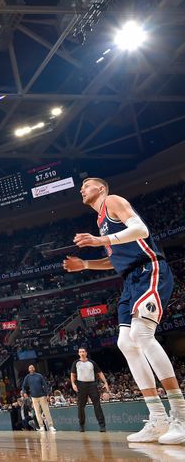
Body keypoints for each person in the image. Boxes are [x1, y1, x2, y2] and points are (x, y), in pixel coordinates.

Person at [64, 177, 185, 444]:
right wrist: (85, 265)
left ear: (101, 188)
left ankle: (181, 416)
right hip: (129, 280)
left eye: (86, 184)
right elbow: (113, 259)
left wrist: (99, 240)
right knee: (125, 343)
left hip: (149, 269)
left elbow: (140, 230)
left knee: (142, 335)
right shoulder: (99, 223)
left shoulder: (113, 201)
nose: (81, 189)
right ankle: (158, 418)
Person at [69, 347, 108, 433]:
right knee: (80, 406)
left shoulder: (91, 362)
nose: (82, 353)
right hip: (81, 385)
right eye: (80, 352)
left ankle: (102, 426)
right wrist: (73, 384)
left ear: (86, 353)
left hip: (92, 385)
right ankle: (81, 425)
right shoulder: (76, 363)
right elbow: (72, 374)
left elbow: (99, 372)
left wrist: (105, 382)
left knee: (97, 405)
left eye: (83, 351)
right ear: (78, 353)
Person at [21, 365, 55, 432]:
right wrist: (24, 392)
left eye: (32, 367)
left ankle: (51, 426)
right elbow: (23, 386)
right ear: (28, 369)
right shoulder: (27, 377)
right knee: (37, 412)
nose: (31, 368)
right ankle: (41, 426)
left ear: (34, 368)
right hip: (34, 397)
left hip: (42, 396)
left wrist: (47, 394)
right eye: (30, 367)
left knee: (46, 411)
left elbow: (45, 385)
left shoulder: (39, 376)